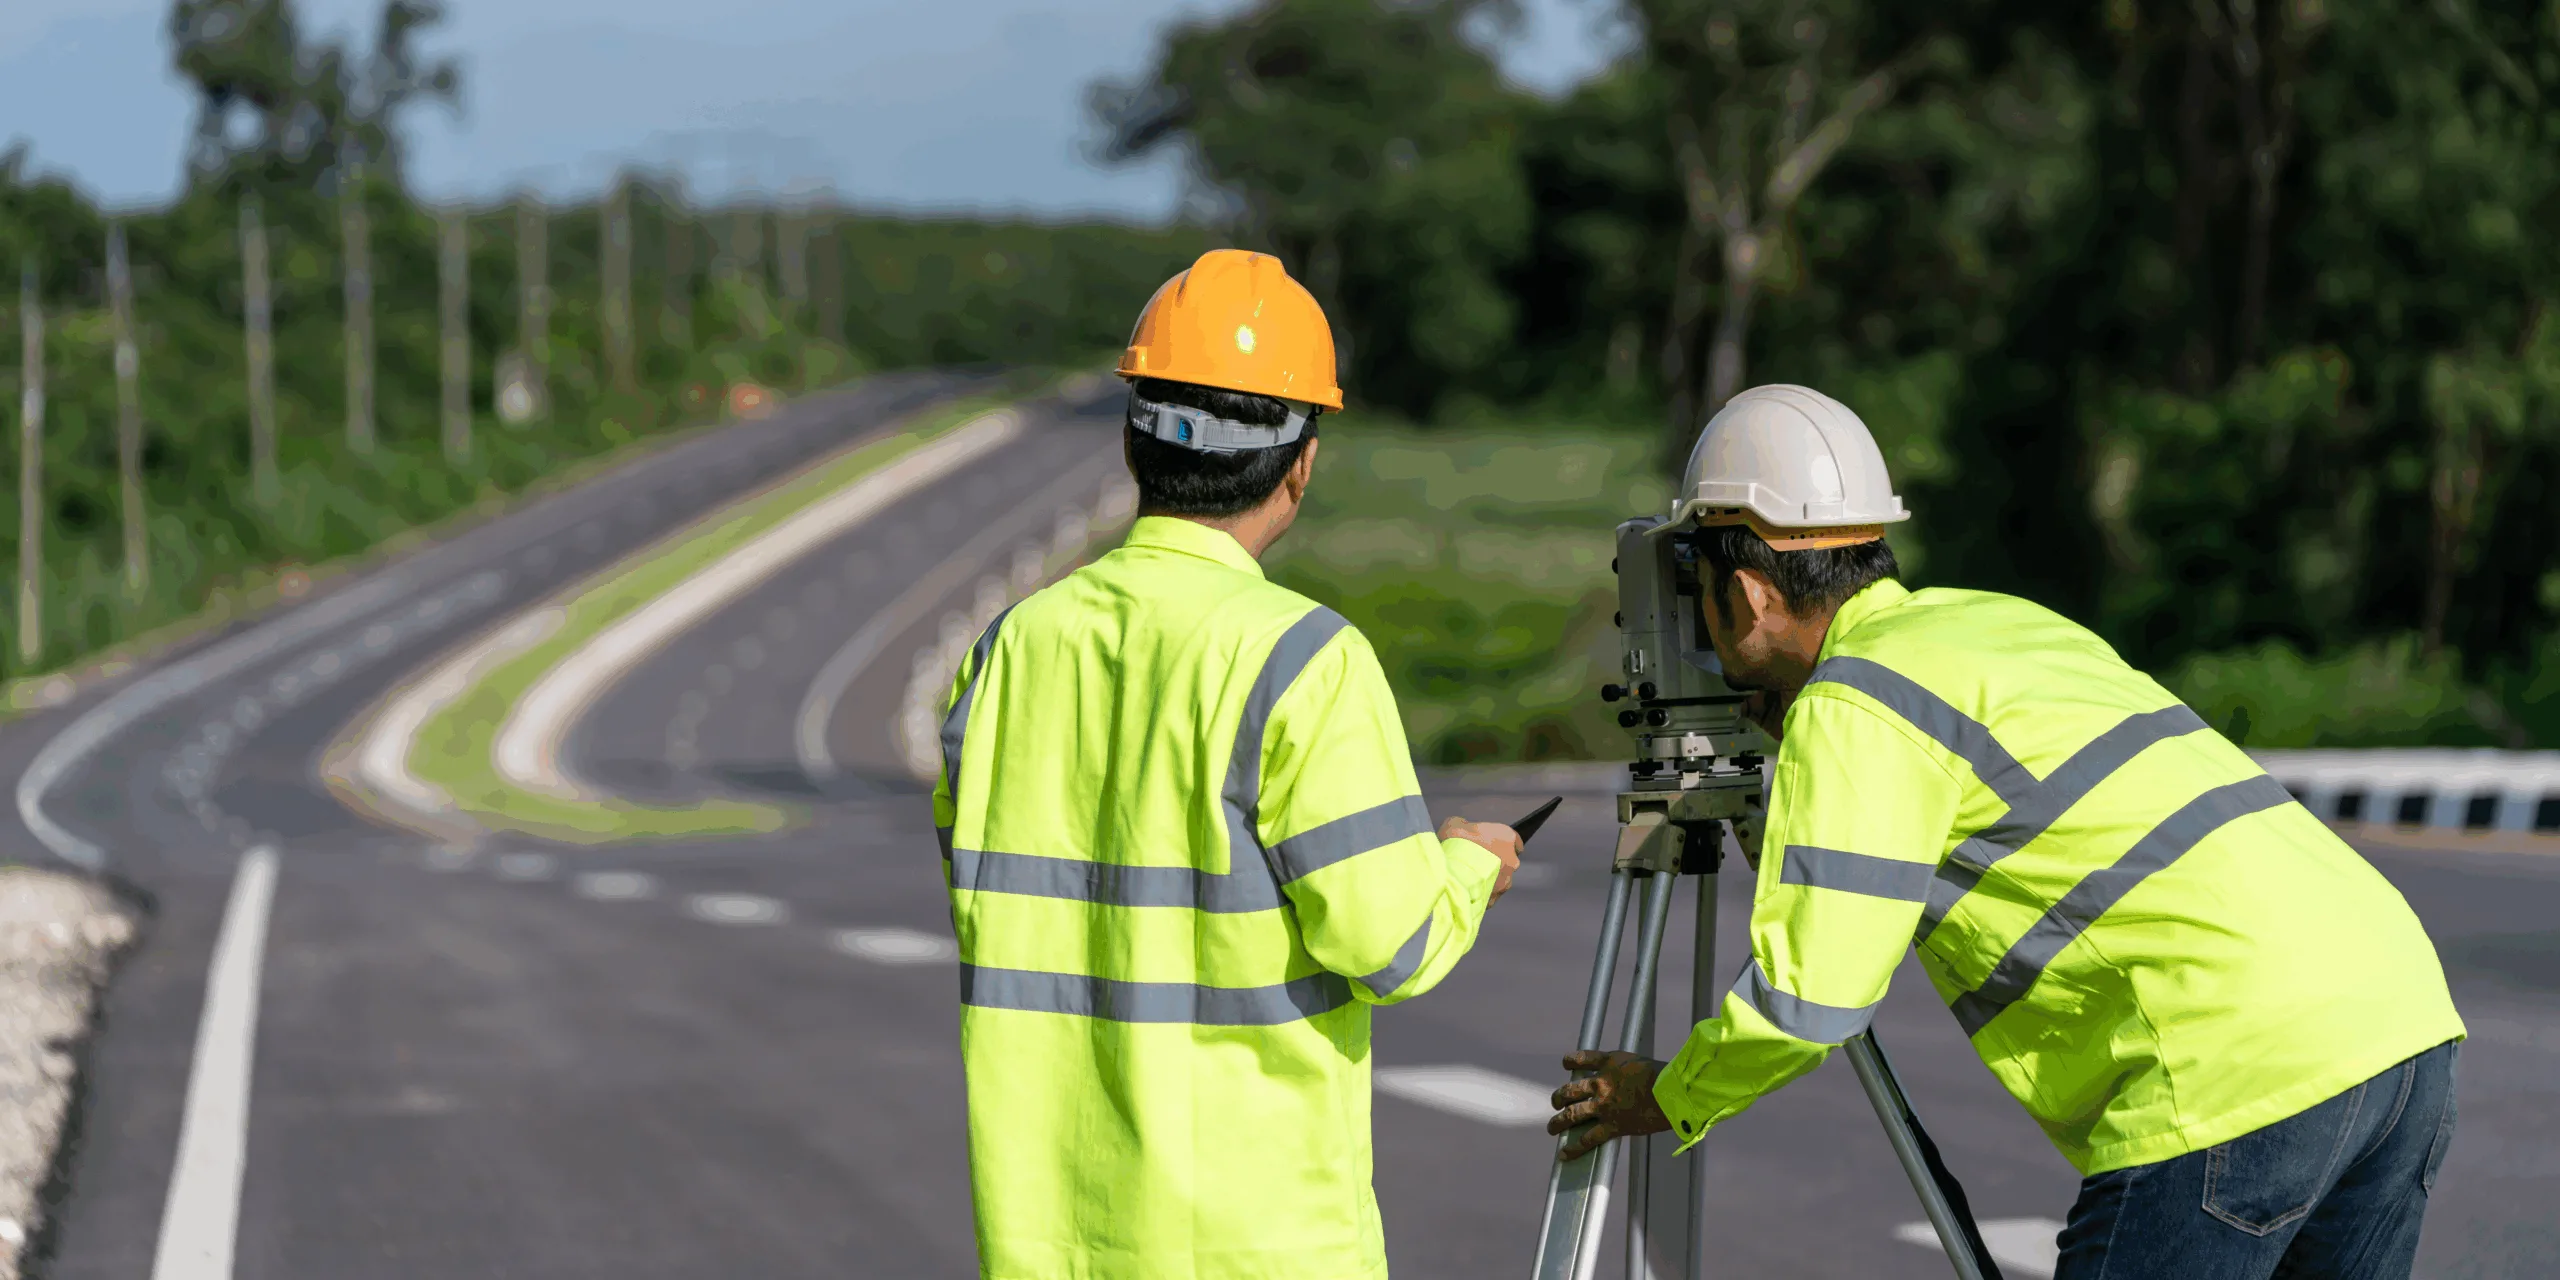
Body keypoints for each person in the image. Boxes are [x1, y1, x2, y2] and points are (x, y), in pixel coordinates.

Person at [1547, 385, 2464, 1278]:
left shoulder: (1855, 707)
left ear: (1745, 596)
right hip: (2399, 1028)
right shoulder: (1990, 622)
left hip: (2231, 1073)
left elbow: (1810, 1001)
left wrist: (1669, 1095)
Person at [933, 248, 1526, 1280]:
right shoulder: (1304, 661)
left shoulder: (1009, 651)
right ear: (1299, 463)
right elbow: (1393, 943)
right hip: (1257, 1248)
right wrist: (1469, 862)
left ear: (1132, 440)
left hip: (1046, 1246)